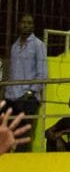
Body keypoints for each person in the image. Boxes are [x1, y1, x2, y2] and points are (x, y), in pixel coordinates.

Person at [2, 13, 48, 151]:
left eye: (29, 23)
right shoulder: (14, 46)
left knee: (23, 135)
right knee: (6, 133)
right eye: (24, 22)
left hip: (28, 98)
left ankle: (21, 161)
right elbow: (11, 73)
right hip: (11, 97)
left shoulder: (38, 45)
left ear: (33, 26)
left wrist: (30, 93)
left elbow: (42, 73)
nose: (26, 25)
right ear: (18, 25)